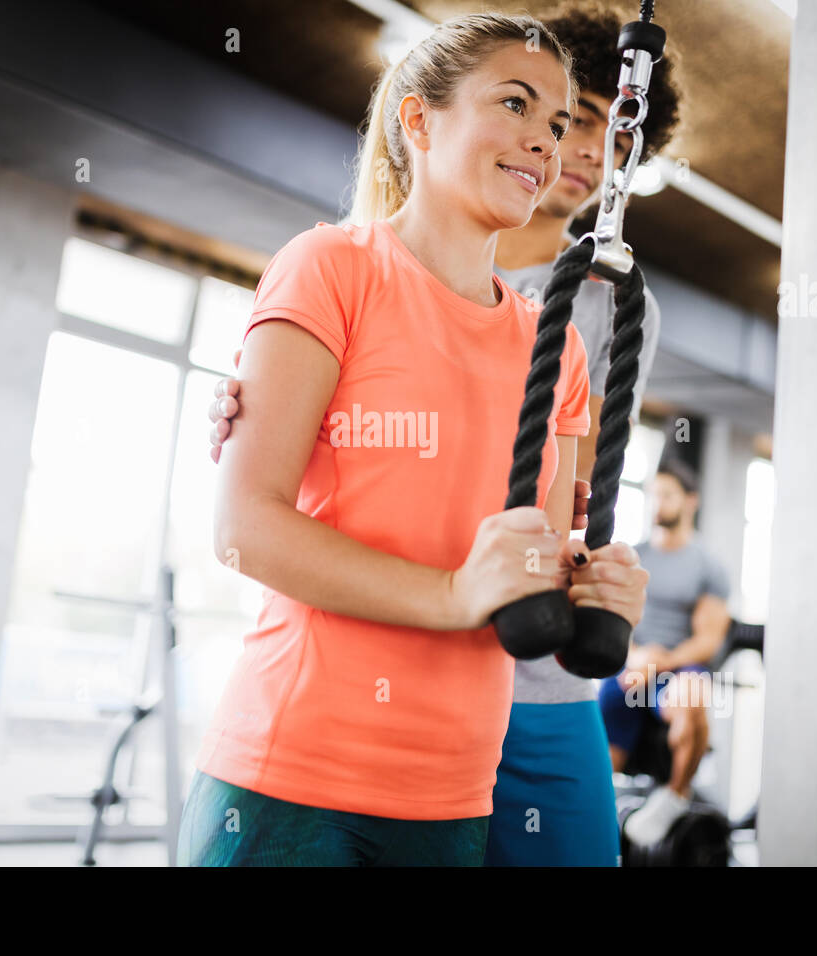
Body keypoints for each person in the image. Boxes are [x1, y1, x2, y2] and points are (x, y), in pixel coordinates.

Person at [206, 3, 681, 866]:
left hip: (455, 784)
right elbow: (245, 528)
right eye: (516, 106)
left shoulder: (567, 335)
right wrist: (457, 592)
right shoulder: (333, 265)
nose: (549, 141)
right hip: (304, 767)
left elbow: (553, 540)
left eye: (560, 121)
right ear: (419, 119)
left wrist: (597, 589)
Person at [599, 458, 732, 847]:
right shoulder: (633, 555)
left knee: (693, 696)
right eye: (654, 494)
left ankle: (675, 797)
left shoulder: (708, 565)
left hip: (678, 669)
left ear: (691, 501)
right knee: (588, 713)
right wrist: (636, 657)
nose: (658, 503)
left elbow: (708, 640)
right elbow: (613, 618)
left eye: (668, 495)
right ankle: (604, 812)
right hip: (631, 665)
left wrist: (659, 660)